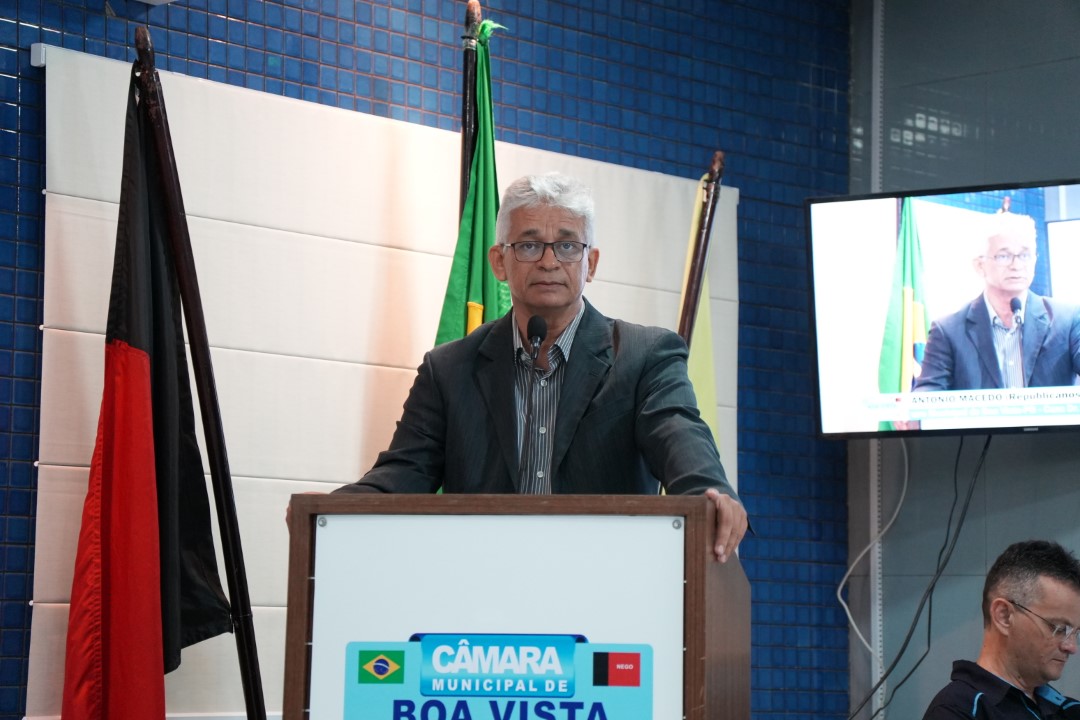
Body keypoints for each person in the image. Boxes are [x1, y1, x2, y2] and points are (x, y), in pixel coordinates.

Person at [332, 172, 748, 562]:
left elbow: (679, 436)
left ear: (591, 263)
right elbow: (404, 473)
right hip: (481, 587)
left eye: (567, 246)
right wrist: (326, 513)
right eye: (529, 246)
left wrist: (709, 493)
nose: (549, 262)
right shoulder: (449, 369)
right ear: (499, 261)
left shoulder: (644, 357)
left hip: (604, 583)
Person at [913, 211, 1080, 391]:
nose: (1016, 266)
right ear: (980, 266)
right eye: (1003, 256)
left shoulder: (1067, 320)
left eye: (1025, 255)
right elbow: (928, 395)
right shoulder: (948, 330)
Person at [922, 540, 1080, 719]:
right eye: (1059, 628)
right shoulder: (957, 710)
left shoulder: (1070, 711)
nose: (1071, 647)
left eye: (1075, 632)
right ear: (1004, 616)